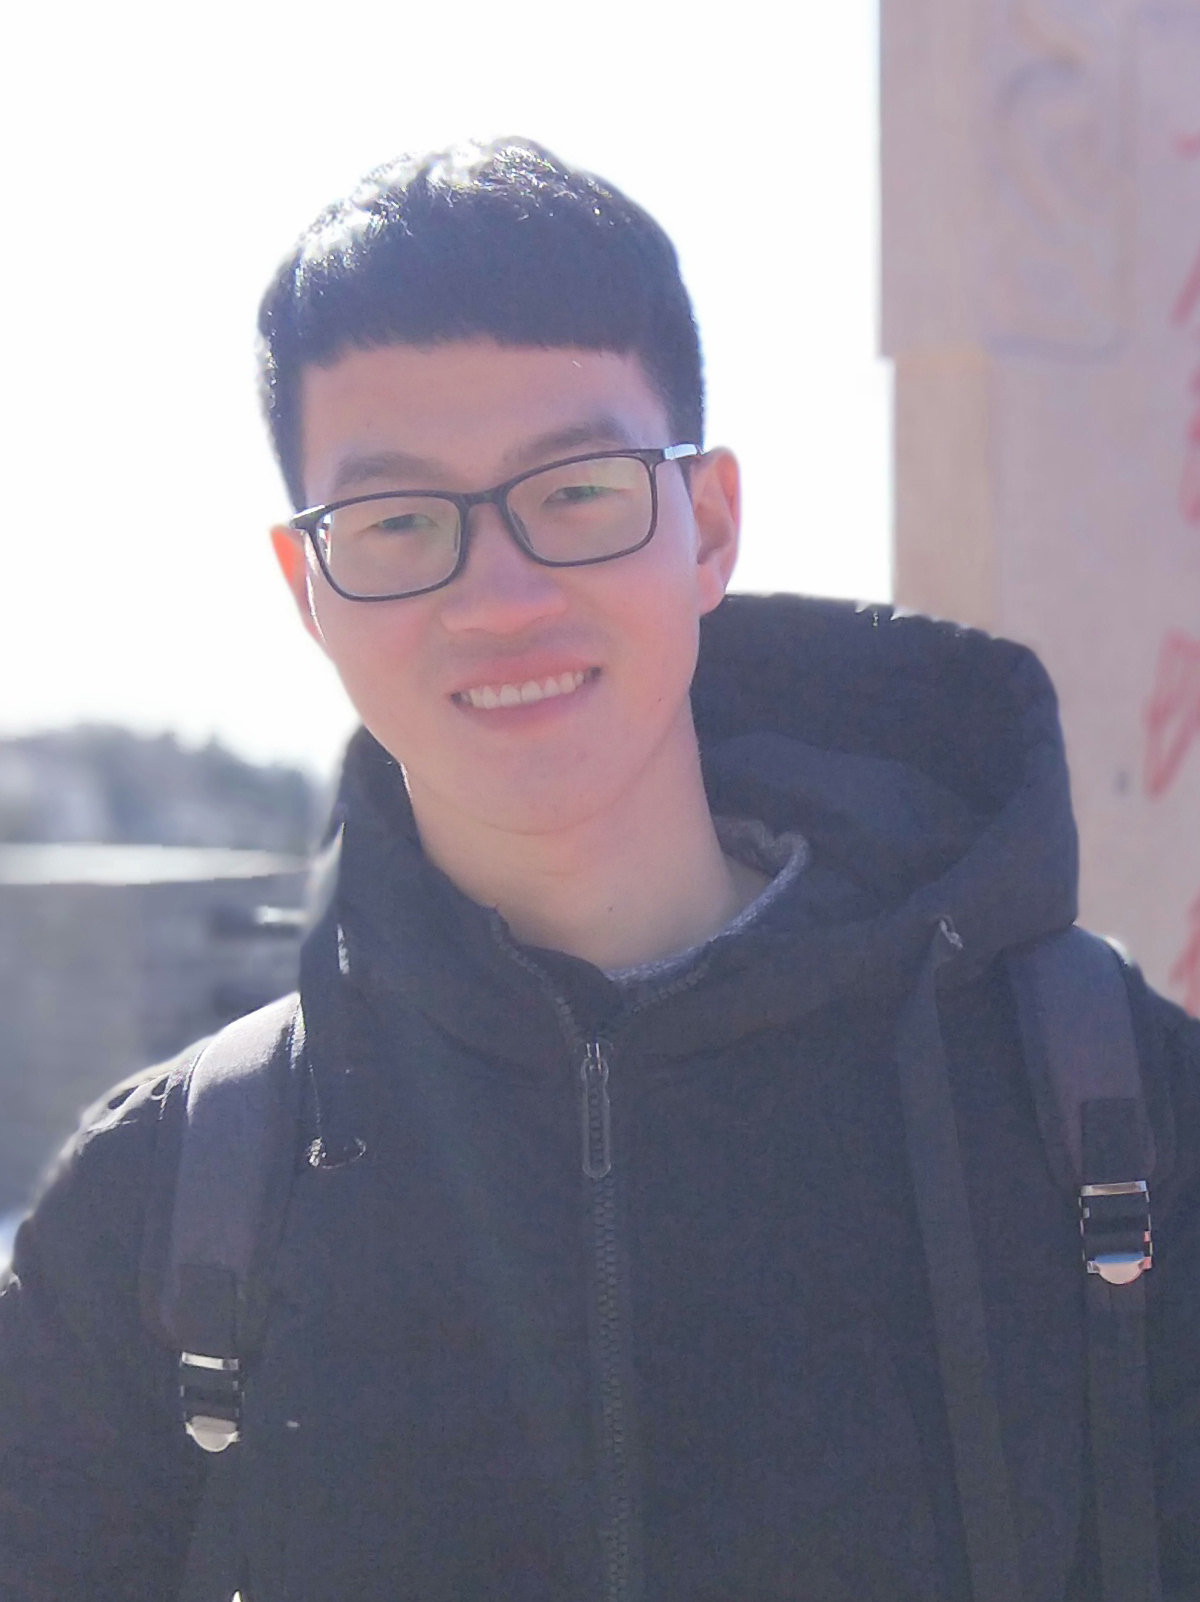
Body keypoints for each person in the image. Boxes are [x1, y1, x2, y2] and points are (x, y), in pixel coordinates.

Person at [0, 137, 1198, 1602]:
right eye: (397, 522)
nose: (498, 595)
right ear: (308, 588)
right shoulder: (163, 1211)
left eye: (575, 492)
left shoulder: (1114, 1118)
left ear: (708, 526)